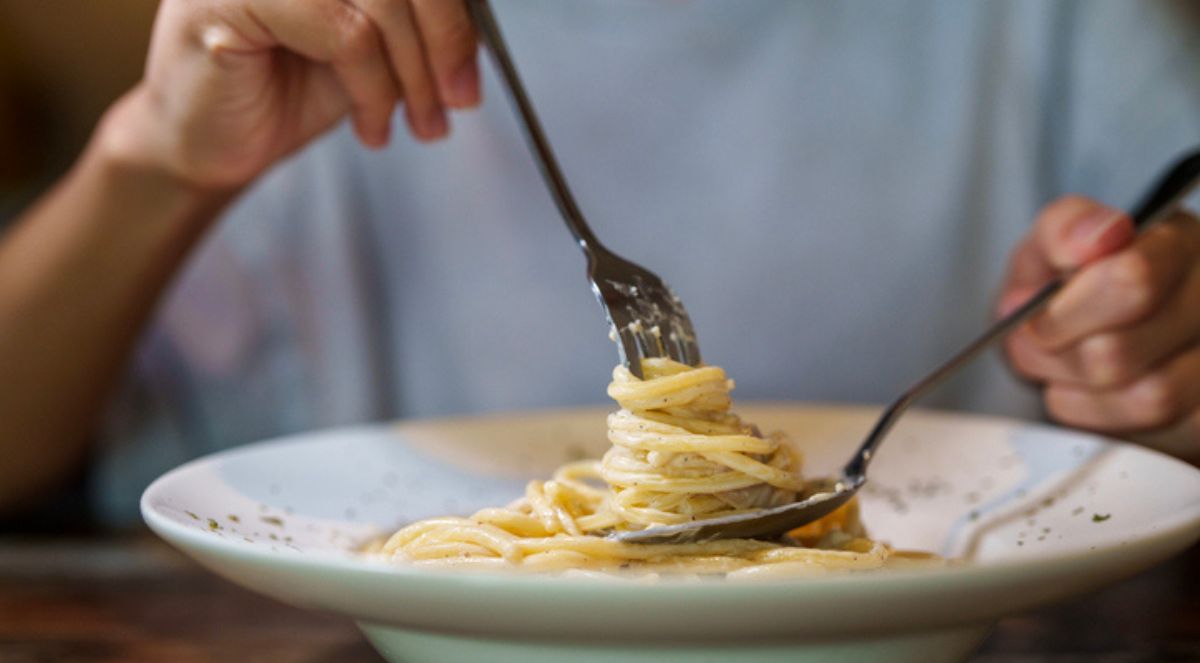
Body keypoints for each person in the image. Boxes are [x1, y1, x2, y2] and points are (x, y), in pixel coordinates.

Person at [0, 0, 1197, 523]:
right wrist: (159, 157)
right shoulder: (312, 36)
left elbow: (1173, 232)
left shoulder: (1049, 18)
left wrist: (1163, 328)